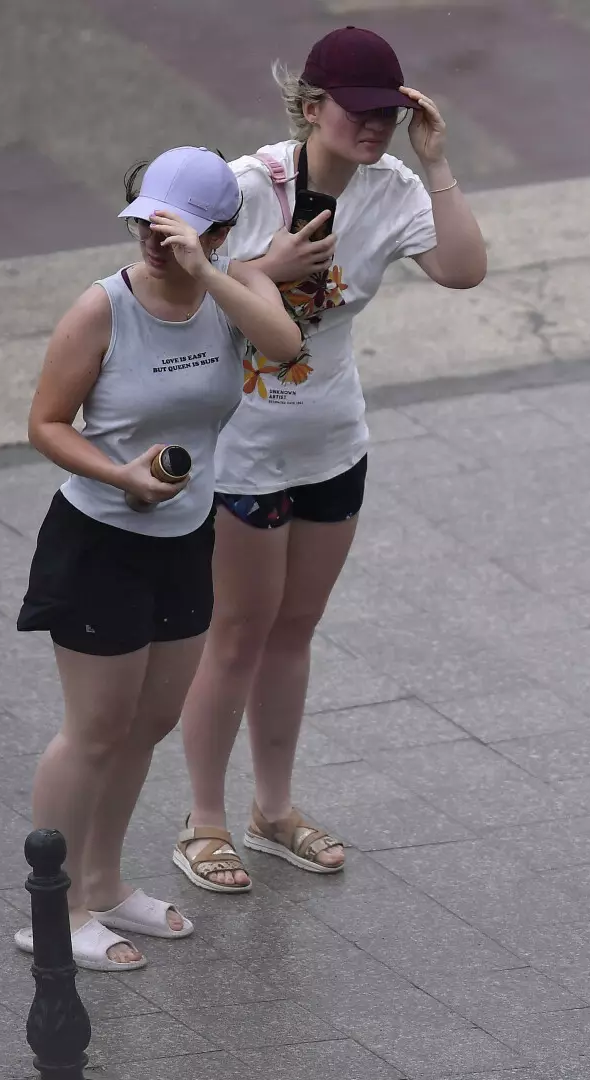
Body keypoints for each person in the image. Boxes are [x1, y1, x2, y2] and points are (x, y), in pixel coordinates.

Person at [172, 25, 487, 893]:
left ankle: (273, 811)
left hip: (332, 444)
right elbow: (174, 293)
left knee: (294, 631)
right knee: (235, 633)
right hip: (241, 450)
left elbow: (465, 269)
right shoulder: (244, 188)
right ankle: (203, 821)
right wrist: (264, 268)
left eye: (389, 112)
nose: (375, 127)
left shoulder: (392, 190)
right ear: (311, 107)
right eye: (358, 111)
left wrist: (438, 161)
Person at [15, 147, 299, 970]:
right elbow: (47, 423)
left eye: (171, 226)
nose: (152, 239)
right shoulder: (99, 309)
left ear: (214, 230)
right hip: (98, 541)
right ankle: (51, 911)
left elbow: (281, 347)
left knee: (149, 722)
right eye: (143, 222)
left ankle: (103, 886)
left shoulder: (236, 288)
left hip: (184, 539)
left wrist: (205, 273)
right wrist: (121, 476)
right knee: (95, 730)